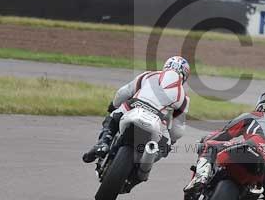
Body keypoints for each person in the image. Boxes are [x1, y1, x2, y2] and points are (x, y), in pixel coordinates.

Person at [82, 56, 191, 186]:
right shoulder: (184, 97)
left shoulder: (148, 75)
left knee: (113, 116)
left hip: (133, 107)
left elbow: (123, 93)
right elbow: (177, 131)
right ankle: (142, 172)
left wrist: (114, 105)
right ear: (185, 76)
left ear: (166, 66)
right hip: (156, 121)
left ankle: (103, 142)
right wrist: (171, 141)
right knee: (164, 147)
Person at [184, 92, 265, 200]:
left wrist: (203, 141)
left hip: (251, 148)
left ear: (260, 105)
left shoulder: (253, 116)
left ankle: (201, 178)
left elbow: (223, 134)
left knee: (210, 146)